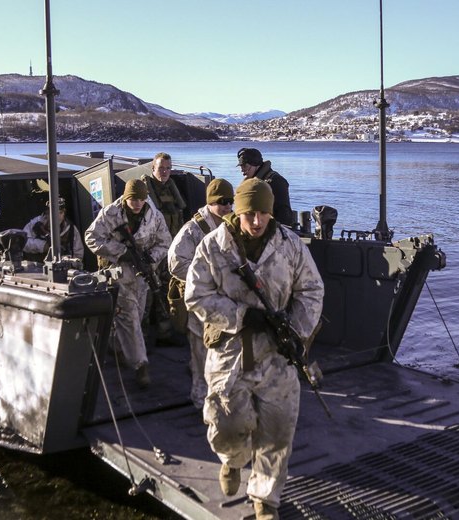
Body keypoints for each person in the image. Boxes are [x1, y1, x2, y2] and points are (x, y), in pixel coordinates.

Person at [185, 178, 324, 519]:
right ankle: (232, 460)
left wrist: (294, 329)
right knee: (225, 424)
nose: (257, 221)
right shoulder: (214, 246)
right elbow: (196, 295)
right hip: (231, 351)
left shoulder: (290, 245)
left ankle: (266, 498)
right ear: (239, 211)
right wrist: (241, 315)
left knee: (277, 431)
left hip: (277, 353)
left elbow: (312, 290)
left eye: (263, 213)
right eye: (250, 213)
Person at [84, 178, 171, 388]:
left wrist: (151, 257)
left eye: (141, 199)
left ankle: (117, 348)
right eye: (133, 199)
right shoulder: (111, 213)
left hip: (142, 275)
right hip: (118, 273)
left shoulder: (153, 215)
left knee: (135, 317)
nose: (138, 203)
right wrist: (121, 252)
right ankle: (141, 365)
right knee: (129, 318)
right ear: (125, 197)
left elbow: (165, 241)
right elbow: (91, 237)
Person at [167, 178, 234, 409]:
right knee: (200, 352)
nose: (228, 206)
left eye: (231, 201)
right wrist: (205, 279)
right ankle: (200, 399)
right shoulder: (194, 229)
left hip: (225, 302)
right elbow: (175, 263)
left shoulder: (230, 225)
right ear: (211, 202)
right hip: (201, 302)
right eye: (223, 202)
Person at [236, 147, 294, 226]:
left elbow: (284, 215)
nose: (242, 170)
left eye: (245, 166)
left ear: (255, 164)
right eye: (241, 167)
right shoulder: (253, 182)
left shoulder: (276, 181)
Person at [22, 197, 84, 261]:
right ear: (47, 213)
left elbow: (78, 254)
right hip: (36, 266)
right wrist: (43, 246)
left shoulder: (71, 229)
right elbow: (23, 243)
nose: (58, 216)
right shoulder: (35, 223)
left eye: (60, 213)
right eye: (53, 213)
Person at [142, 152, 186, 236]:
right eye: (161, 168)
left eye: (168, 168)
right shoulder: (145, 189)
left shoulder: (173, 188)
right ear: (153, 168)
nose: (165, 171)